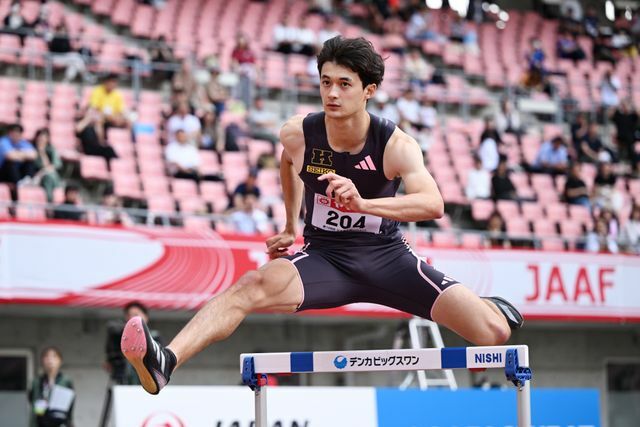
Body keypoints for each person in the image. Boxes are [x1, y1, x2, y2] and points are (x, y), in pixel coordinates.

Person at [121, 36, 523, 395]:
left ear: (369, 90)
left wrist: (363, 204)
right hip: (325, 258)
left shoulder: (395, 144)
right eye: (326, 82)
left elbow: (432, 203)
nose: (332, 93)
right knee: (250, 285)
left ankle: (489, 306)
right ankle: (165, 361)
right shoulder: (299, 133)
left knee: (493, 334)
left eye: (344, 84)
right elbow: (287, 162)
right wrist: (290, 224)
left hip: (386, 258)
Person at [106, 301, 163, 385]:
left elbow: (159, 361)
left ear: (146, 317)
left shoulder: (154, 337)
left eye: (136, 315)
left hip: (148, 382)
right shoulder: (119, 335)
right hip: (123, 381)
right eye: (129, 315)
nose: (132, 318)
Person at [29, 347, 75, 427]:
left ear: (60, 361)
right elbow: (32, 400)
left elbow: (70, 405)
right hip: (40, 422)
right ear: (42, 361)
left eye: (54, 357)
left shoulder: (66, 381)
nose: (50, 360)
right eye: (46, 357)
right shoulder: (37, 382)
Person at [0, 124, 37, 188]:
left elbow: (34, 155)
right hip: (3, 172)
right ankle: (18, 183)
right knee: (11, 163)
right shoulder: (3, 141)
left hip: (18, 171)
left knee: (29, 163)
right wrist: (24, 155)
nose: (16, 134)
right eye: (14, 132)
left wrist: (16, 154)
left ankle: (28, 180)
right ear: (9, 133)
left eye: (18, 132)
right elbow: (9, 156)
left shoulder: (23, 142)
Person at [32, 129, 62, 203]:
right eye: (40, 137)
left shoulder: (51, 149)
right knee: (49, 177)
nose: (41, 139)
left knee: (50, 175)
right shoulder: (31, 149)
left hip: (47, 175)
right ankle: (50, 203)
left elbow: (56, 165)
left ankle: (52, 201)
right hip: (35, 176)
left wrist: (42, 152)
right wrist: (40, 151)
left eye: (44, 137)